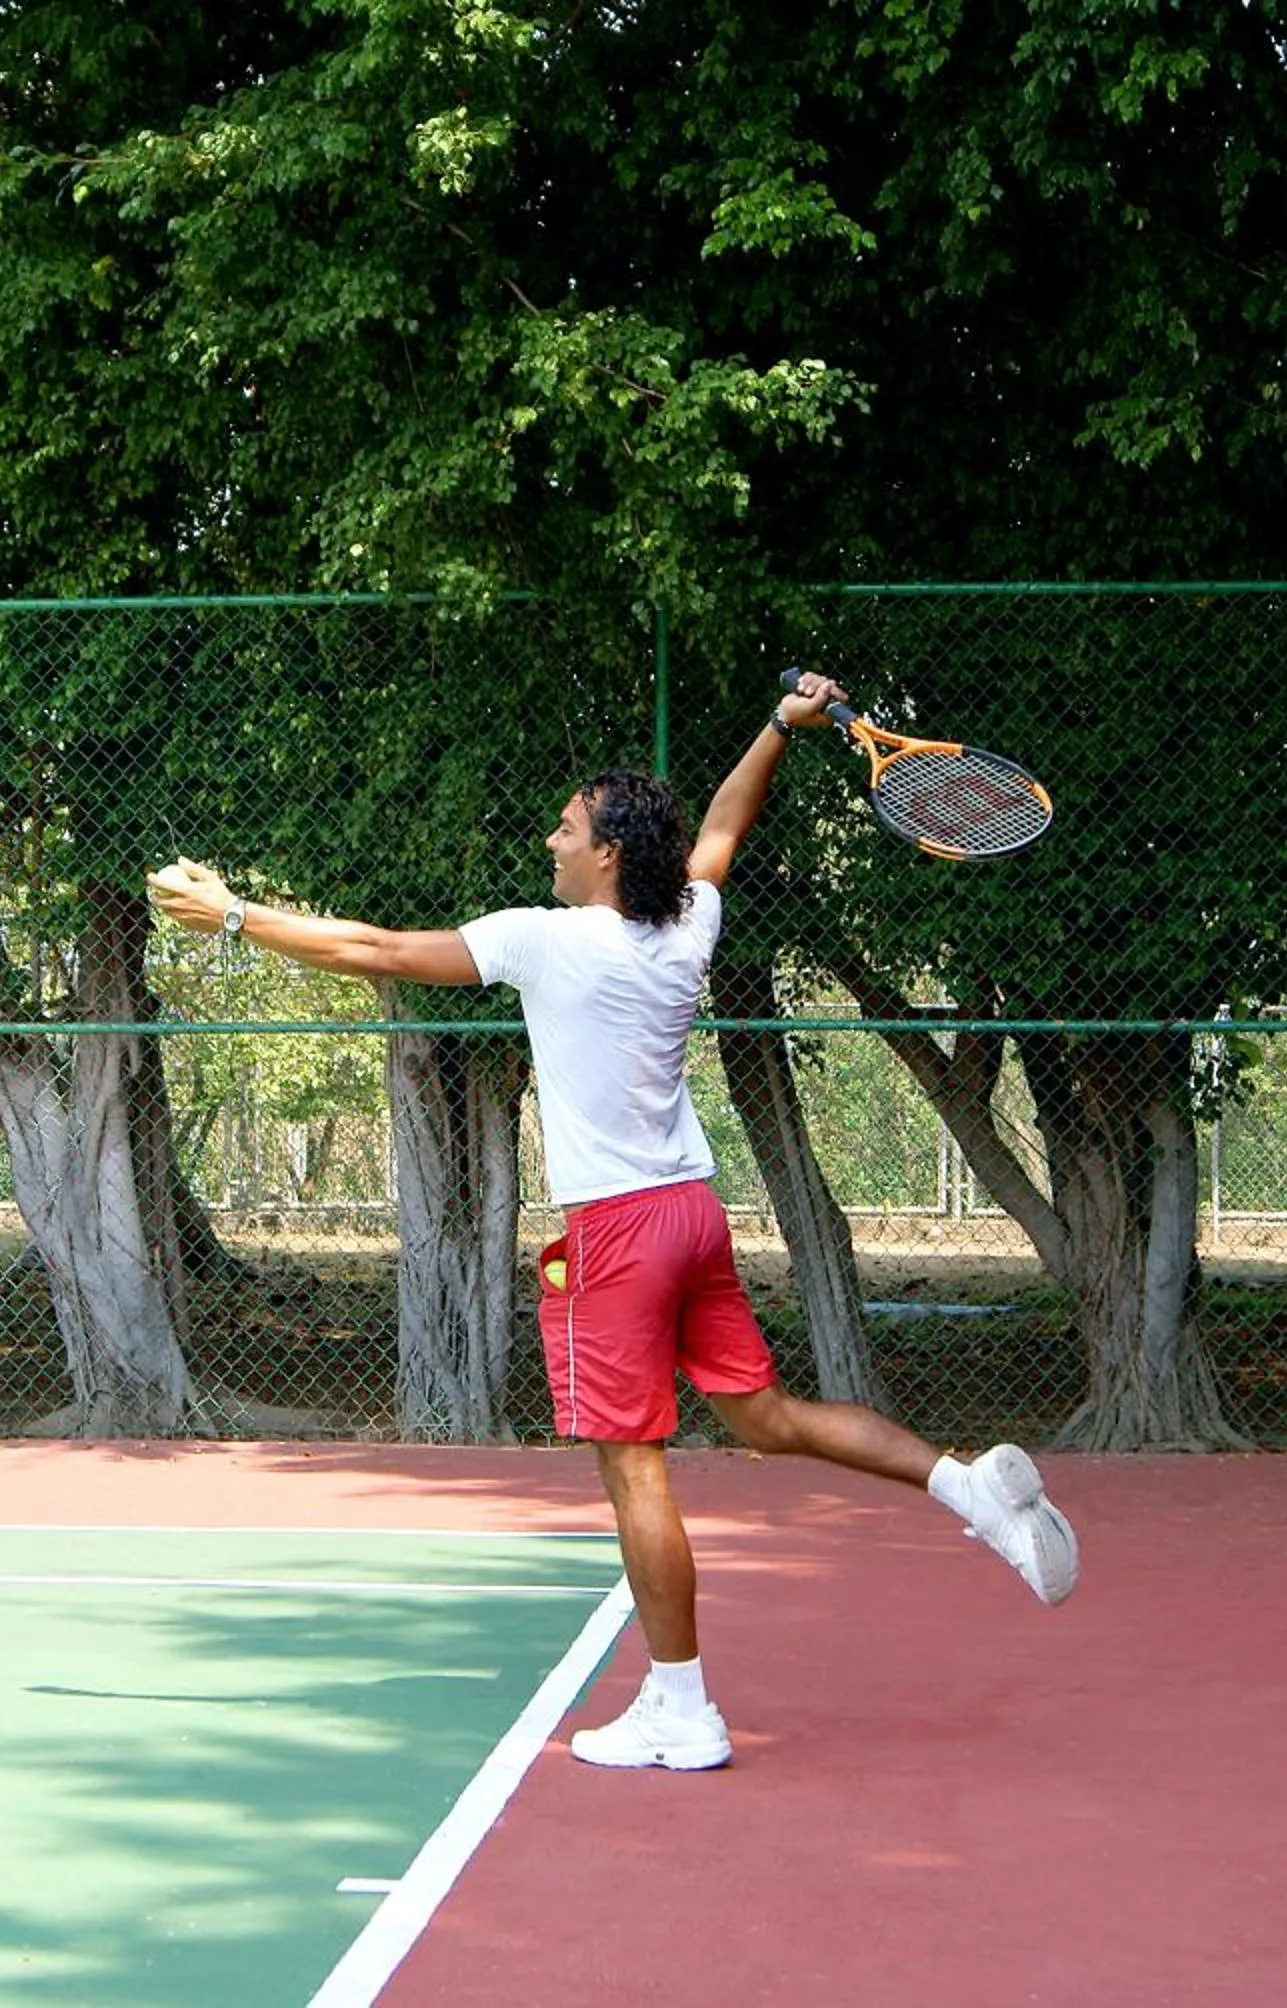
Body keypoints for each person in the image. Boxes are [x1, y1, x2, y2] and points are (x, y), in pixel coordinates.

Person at [145, 671, 1077, 1772]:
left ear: (606, 858)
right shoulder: (688, 921)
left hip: (620, 1237)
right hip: (691, 1213)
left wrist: (237, 916)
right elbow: (726, 823)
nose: (552, 834)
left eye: (569, 825)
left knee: (635, 1468)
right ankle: (964, 1485)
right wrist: (780, 726)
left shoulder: (549, 940)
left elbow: (382, 952)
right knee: (766, 1418)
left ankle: (682, 1708)